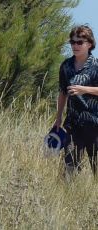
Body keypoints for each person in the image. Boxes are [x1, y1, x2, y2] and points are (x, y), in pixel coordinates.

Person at [54, 25, 98, 179]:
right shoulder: (66, 66)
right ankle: (67, 199)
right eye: (72, 42)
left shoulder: (96, 65)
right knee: (69, 170)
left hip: (95, 125)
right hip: (73, 124)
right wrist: (58, 117)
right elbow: (62, 92)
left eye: (79, 42)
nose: (75, 46)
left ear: (89, 44)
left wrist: (84, 89)